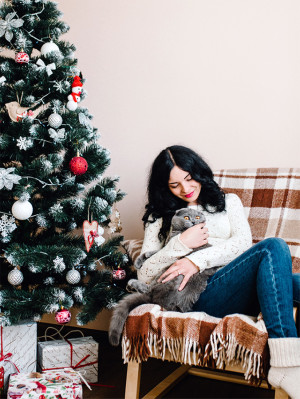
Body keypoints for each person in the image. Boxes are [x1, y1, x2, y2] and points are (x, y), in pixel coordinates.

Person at [137, 145, 300, 399]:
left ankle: (285, 362)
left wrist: (196, 260)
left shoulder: (228, 202)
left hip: (234, 286)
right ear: (164, 188)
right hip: (196, 294)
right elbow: (144, 275)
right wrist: (180, 245)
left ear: (199, 172)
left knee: (287, 281)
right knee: (273, 247)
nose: (186, 189)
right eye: (174, 185)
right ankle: (286, 363)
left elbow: (242, 243)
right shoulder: (159, 217)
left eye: (189, 178)